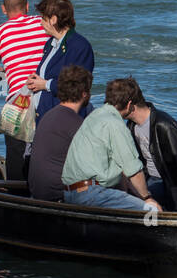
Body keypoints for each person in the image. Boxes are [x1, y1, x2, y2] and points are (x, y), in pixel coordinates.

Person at [59, 79, 162, 213]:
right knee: (152, 210)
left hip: (70, 192)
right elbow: (134, 171)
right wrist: (147, 198)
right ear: (130, 104)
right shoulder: (114, 124)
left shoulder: (94, 116)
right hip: (91, 194)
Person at [0, 0, 47, 181]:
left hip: (18, 102)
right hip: (46, 96)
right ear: (27, 7)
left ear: (4, 9)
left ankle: (15, 192)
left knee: (15, 154)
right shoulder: (42, 23)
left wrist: (3, 72)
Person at [113, 76, 177, 211]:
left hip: (167, 183)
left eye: (115, 105)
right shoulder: (131, 126)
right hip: (148, 178)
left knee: (130, 200)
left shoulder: (165, 125)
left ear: (129, 105)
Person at [25, 0, 95, 124]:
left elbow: (78, 87)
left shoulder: (79, 46)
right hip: (44, 117)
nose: (40, 22)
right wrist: (35, 81)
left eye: (43, 18)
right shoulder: (51, 44)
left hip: (63, 121)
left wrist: (45, 84)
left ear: (54, 19)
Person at [27, 65, 90, 202]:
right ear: (85, 94)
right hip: (58, 195)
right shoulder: (76, 123)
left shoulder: (48, 116)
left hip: (38, 192)